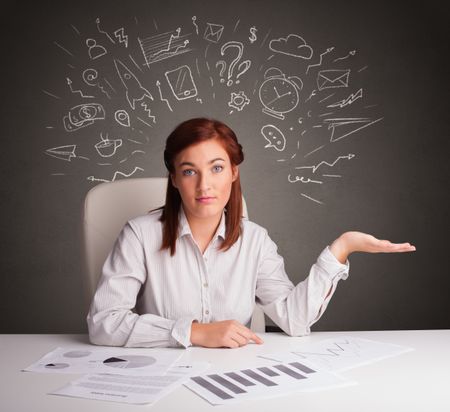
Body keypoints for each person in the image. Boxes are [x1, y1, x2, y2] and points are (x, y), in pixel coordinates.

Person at [87, 117, 415, 349]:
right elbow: (104, 323)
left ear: (233, 172)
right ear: (174, 178)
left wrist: (342, 248)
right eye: (190, 171)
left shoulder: (255, 240)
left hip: (235, 382)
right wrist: (195, 332)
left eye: (216, 168)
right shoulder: (139, 235)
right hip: (159, 381)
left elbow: (294, 320)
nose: (204, 185)